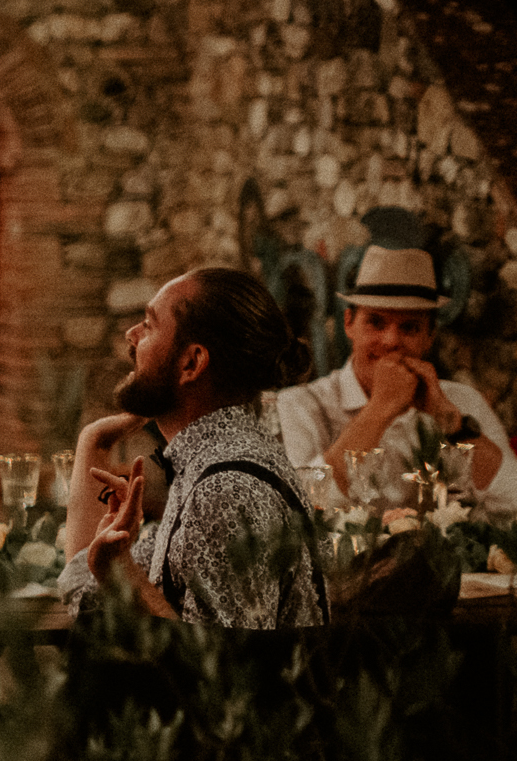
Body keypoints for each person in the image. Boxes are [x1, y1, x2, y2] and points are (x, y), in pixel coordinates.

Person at [59, 267, 327, 629]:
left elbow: (221, 674)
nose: (131, 335)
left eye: (149, 326)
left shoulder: (225, 489)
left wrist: (121, 571)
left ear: (191, 362)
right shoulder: (217, 461)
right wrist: (94, 441)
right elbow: (85, 588)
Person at [278, 244, 515, 514]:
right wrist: (380, 408)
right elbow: (301, 507)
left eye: (409, 327)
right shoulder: (300, 404)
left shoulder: (462, 400)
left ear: (430, 336)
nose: (391, 341)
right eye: (376, 323)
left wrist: (453, 425)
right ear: (348, 324)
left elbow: (514, 501)